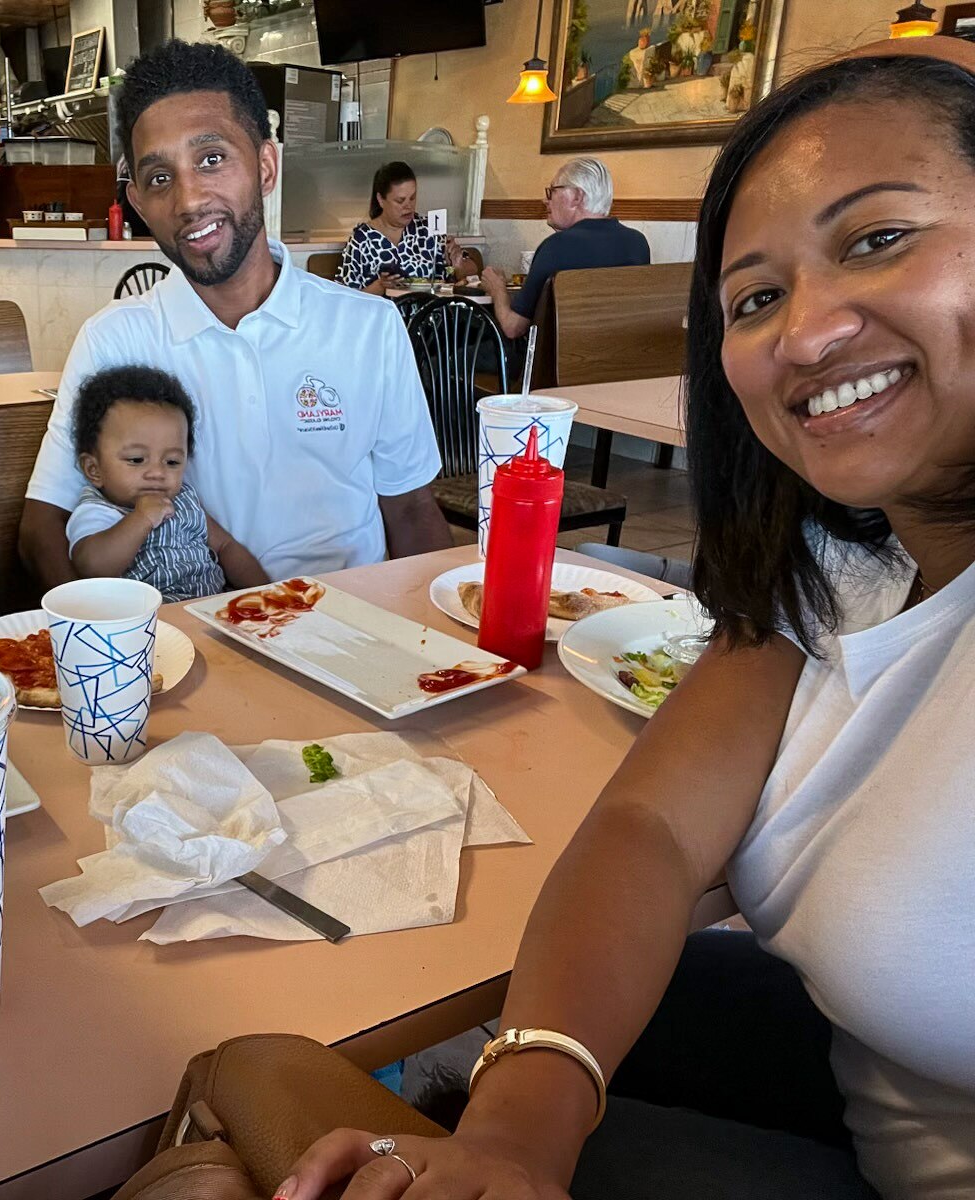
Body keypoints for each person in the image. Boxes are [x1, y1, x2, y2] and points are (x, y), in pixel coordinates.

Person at [279, 36, 975, 1200]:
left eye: (878, 239)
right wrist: (514, 1131)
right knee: (347, 1071)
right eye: (756, 297)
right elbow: (650, 827)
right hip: (868, 1079)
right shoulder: (836, 556)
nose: (803, 334)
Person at [19, 40, 451, 590]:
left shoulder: (369, 327)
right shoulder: (114, 340)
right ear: (138, 204)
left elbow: (411, 511)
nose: (188, 199)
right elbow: (42, 528)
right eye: (159, 178)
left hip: (350, 627)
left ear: (266, 166)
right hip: (191, 646)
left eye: (212, 159)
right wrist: (105, 642)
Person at [67, 364, 268, 601]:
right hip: (154, 622)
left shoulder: (184, 500)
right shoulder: (97, 512)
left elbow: (225, 547)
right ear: (94, 469)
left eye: (172, 462)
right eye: (137, 459)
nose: (157, 473)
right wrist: (141, 518)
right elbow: (93, 568)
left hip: (211, 608)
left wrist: (266, 591)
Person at [453, 157, 649, 342]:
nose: (545, 200)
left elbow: (513, 328)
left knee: (442, 357)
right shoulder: (637, 243)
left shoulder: (556, 246)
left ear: (577, 197)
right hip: (617, 366)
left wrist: (497, 289)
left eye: (552, 191)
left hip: (551, 369)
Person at [335, 161, 441, 294]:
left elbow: (454, 275)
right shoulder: (362, 239)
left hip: (427, 313)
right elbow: (347, 298)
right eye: (400, 201)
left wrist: (460, 265)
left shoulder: (428, 229)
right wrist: (380, 286)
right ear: (380, 199)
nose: (408, 206)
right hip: (384, 313)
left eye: (412, 198)